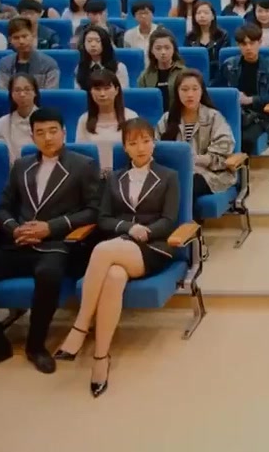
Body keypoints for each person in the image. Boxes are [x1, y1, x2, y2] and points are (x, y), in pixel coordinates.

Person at [0, 107, 102, 377]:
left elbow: (93, 211)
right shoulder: (21, 166)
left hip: (55, 245)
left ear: (64, 132)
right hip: (18, 243)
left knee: (48, 274)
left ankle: (36, 346)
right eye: (40, 133)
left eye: (53, 131)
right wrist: (14, 228)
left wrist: (50, 227)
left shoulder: (83, 165)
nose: (48, 138)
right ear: (32, 137)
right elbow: (3, 207)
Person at [54, 118, 181, 397]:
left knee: (102, 250)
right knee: (113, 276)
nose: (141, 147)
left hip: (153, 247)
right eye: (133, 143)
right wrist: (127, 228)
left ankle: (80, 327)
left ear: (154, 143)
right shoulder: (114, 178)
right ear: (124, 147)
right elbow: (103, 218)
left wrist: (144, 231)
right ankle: (101, 358)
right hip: (120, 245)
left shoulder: (169, 176)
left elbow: (169, 220)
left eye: (146, 141)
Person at [157, 69, 238, 197]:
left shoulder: (213, 117)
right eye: (184, 90)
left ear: (202, 91)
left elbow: (225, 148)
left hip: (209, 173)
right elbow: (157, 148)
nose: (190, 94)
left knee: (186, 185)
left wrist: (200, 160)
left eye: (195, 89)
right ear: (177, 92)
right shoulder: (167, 119)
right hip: (175, 172)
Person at [217, 23, 269, 157]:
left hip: (261, 116)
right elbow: (216, 90)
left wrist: (250, 100)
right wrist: (232, 96)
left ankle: (241, 168)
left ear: (259, 42)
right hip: (234, 113)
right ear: (238, 45)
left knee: (244, 139)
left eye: (252, 43)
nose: (248, 48)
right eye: (243, 44)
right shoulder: (229, 65)